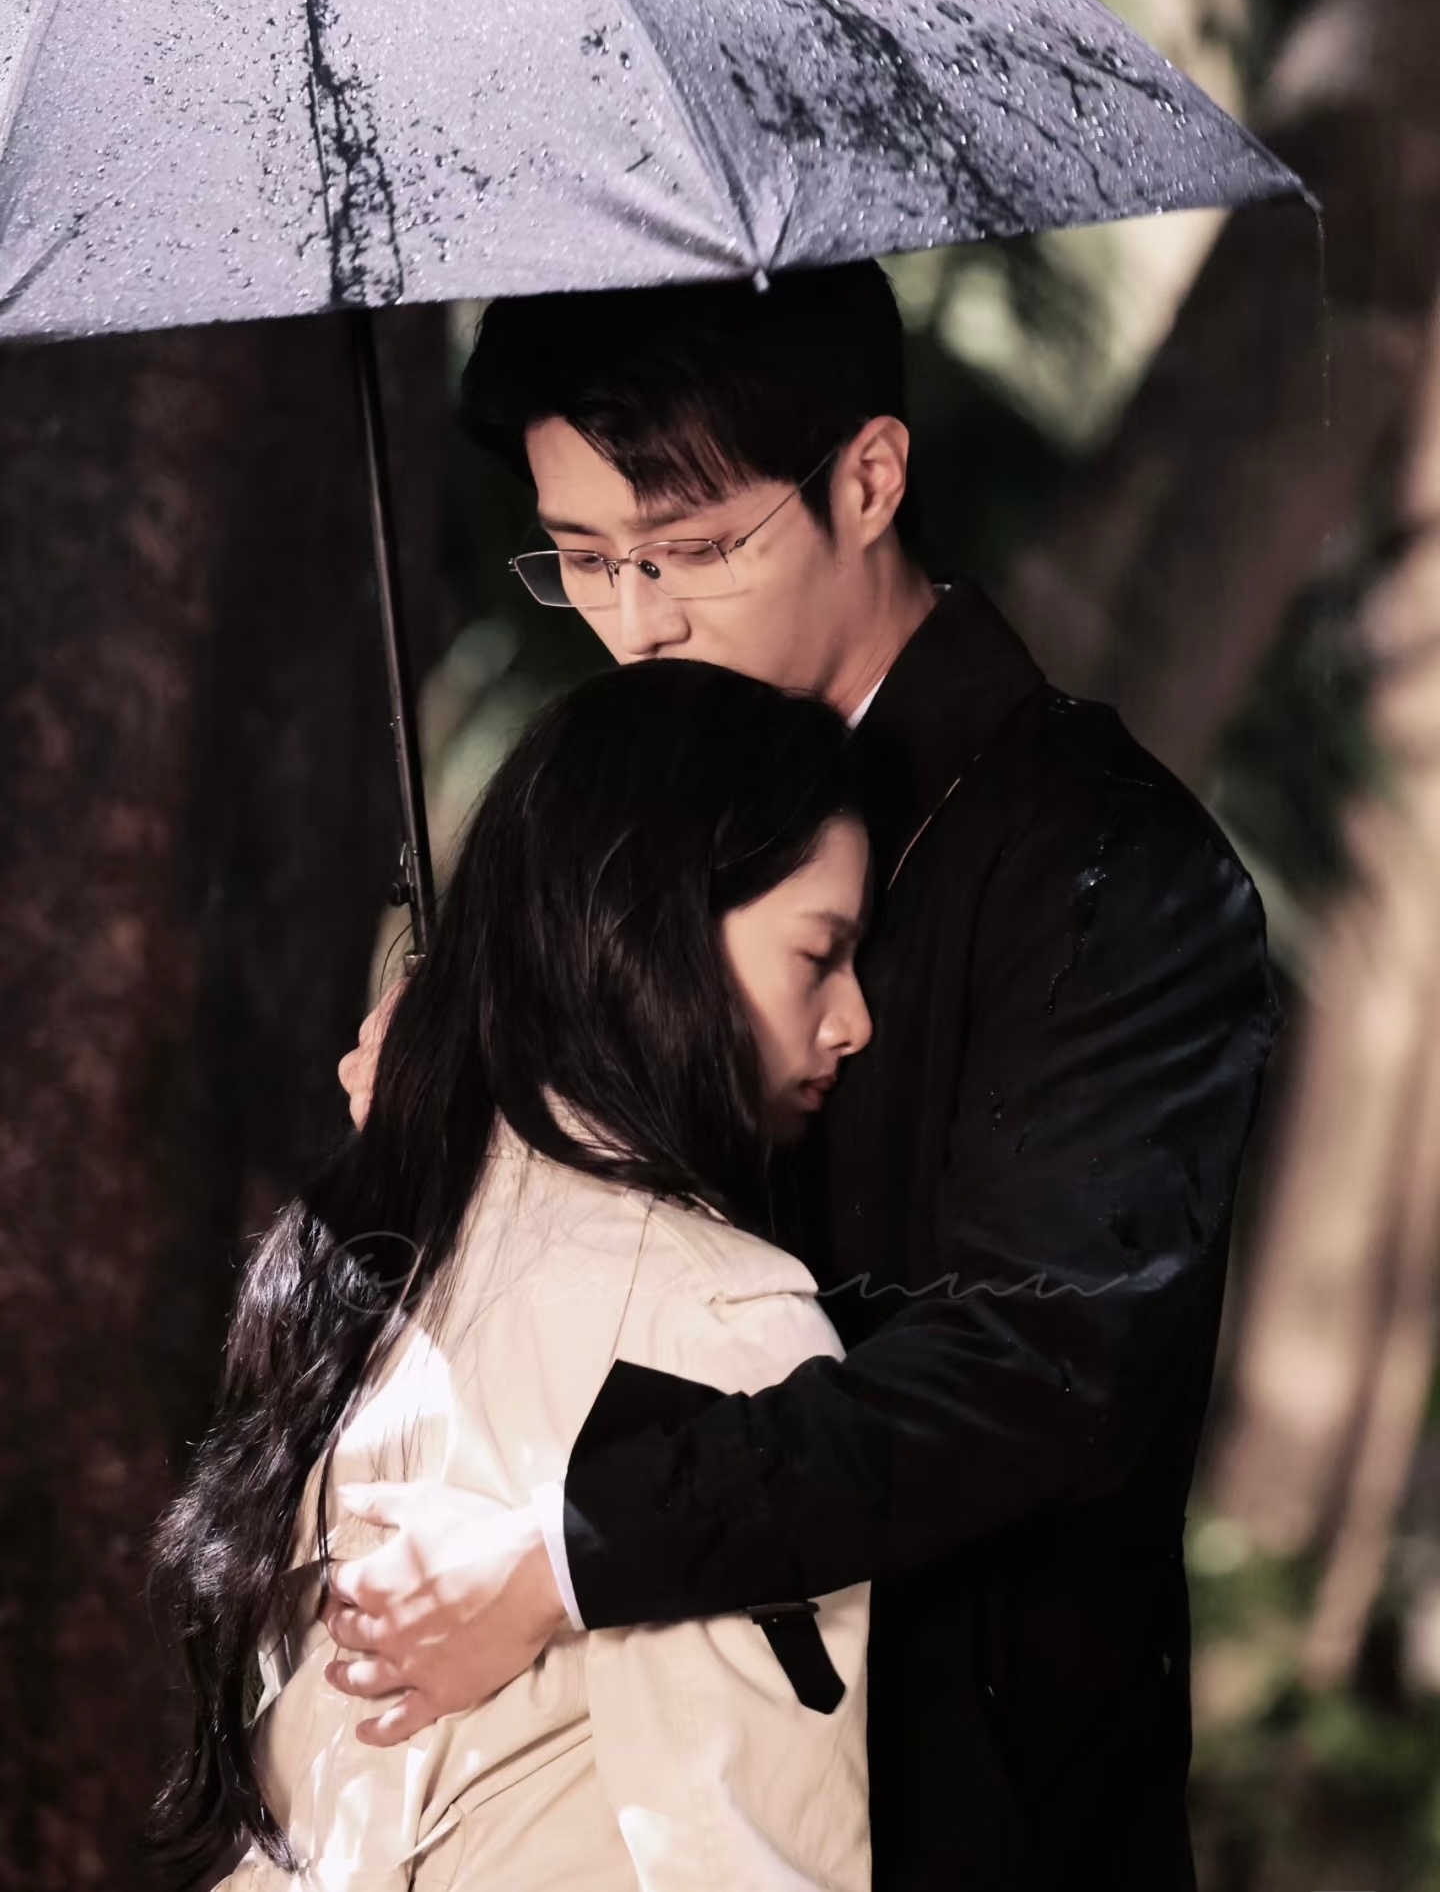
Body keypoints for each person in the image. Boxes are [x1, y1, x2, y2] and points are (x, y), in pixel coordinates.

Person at [328, 262, 1280, 1891]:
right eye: (583, 559)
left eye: (693, 549)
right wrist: (438, 1119)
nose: (636, 622)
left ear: (870, 478)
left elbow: (1039, 1367)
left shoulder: (1109, 865)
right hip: (610, 1801)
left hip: (964, 1810)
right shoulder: (609, 848)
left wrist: (568, 1558)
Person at [148, 661, 878, 1890]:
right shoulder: (727, 1327)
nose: (855, 1018)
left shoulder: (385, 1251)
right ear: (657, 931)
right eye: (822, 954)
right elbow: (751, 1859)